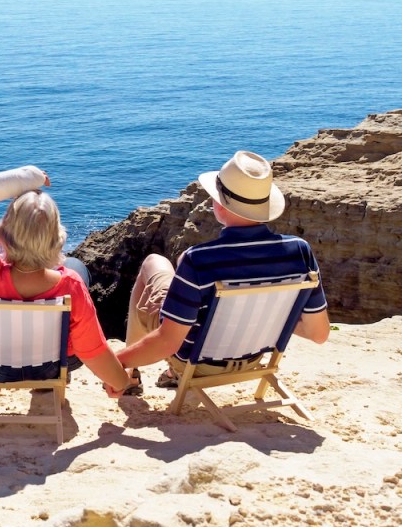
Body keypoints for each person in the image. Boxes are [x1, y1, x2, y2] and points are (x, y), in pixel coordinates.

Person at [113, 150, 331, 398]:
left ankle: (129, 376)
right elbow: (319, 333)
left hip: (195, 362)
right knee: (186, 277)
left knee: (154, 262)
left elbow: (168, 342)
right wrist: (270, 314)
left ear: (219, 204)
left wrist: (114, 362)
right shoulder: (300, 251)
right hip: (252, 359)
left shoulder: (199, 259)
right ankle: (162, 375)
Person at [0, 165, 133, 394]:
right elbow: (94, 350)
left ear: (3, 233)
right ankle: (46, 387)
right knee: (76, 266)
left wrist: (22, 180)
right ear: (57, 239)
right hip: (51, 368)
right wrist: (121, 381)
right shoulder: (70, 285)